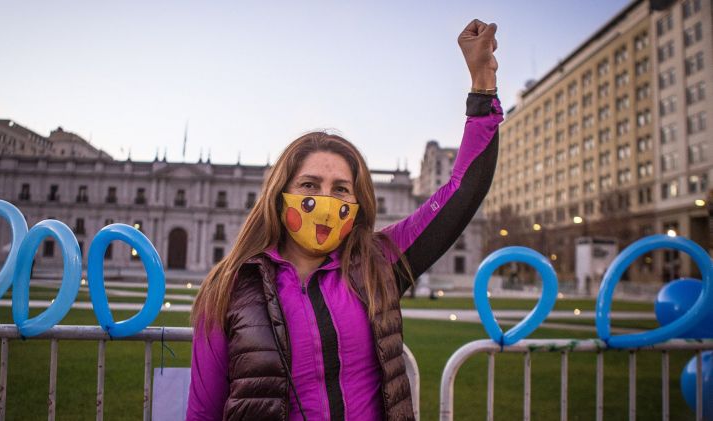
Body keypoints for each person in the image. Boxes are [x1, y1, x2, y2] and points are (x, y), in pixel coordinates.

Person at [187, 18, 503, 421]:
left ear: (358, 203)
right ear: (280, 195)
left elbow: (463, 191)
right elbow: (203, 410)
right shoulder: (229, 287)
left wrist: (481, 86)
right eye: (309, 185)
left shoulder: (378, 264)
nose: (324, 199)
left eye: (340, 188)